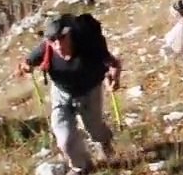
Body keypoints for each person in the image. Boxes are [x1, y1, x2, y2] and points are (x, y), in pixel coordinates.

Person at [16, 13, 121, 174]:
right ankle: (81, 167)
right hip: (61, 94)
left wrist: (114, 77)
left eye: (62, 38)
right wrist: (25, 68)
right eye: (52, 40)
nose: (57, 44)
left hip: (90, 91)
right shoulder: (46, 48)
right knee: (64, 139)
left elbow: (113, 63)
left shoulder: (88, 45)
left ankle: (104, 143)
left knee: (95, 129)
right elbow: (25, 63)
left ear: (69, 34)